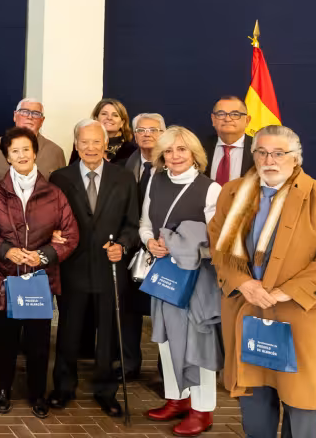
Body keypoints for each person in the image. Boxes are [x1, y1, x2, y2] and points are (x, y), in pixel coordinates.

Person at [210, 125, 316, 438]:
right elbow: (219, 247)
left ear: (296, 158)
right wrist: (243, 283)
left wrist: (286, 292)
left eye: (278, 153)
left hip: (297, 314)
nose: (268, 160)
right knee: (255, 398)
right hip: (246, 308)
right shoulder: (233, 193)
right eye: (261, 152)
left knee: (301, 402)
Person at [0, 126, 78, 418]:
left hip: (40, 281)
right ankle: (3, 390)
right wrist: (6, 250)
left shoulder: (54, 193)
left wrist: (44, 255)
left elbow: (70, 234)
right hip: (5, 279)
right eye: (14, 151)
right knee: (5, 341)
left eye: (25, 150)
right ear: (7, 156)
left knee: (39, 343)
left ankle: (36, 394)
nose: (20, 155)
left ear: (35, 153)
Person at [48, 120, 140, 417]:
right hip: (72, 268)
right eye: (84, 142)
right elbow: (51, 219)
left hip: (109, 268)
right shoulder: (59, 178)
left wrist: (123, 246)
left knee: (108, 335)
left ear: (105, 145)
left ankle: (106, 391)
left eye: (95, 142)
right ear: (76, 145)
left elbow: (132, 224)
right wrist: (52, 234)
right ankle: (62, 387)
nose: (90, 147)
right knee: (68, 332)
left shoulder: (124, 178)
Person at [138, 126, 222, 436]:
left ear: (194, 154)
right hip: (163, 272)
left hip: (196, 277)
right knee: (166, 337)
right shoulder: (155, 181)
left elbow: (217, 240)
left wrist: (176, 245)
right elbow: (145, 224)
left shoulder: (211, 189)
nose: (175, 156)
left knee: (197, 341)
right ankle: (177, 398)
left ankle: (203, 409)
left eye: (182, 150)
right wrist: (150, 243)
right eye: (169, 151)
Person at [121, 112, 166, 378]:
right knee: (128, 309)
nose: (146, 134)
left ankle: (165, 372)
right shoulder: (127, 164)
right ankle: (129, 364)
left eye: (153, 130)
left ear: (163, 133)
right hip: (131, 246)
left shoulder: (173, 165)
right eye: (141, 130)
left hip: (161, 248)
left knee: (163, 308)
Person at [0, 98, 68, 182]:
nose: (30, 117)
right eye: (24, 112)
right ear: (15, 116)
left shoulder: (55, 151)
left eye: (36, 113)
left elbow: (61, 187)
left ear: (42, 121)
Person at [202, 96, 254, 186]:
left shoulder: (259, 148)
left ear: (247, 120)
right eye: (221, 114)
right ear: (213, 119)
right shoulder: (200, 147)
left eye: (235, 114)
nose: (227, 119)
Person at [70, 99, 138, 166]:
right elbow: (71, 170)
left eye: (115, 115)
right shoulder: (82, 142)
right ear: (96, 118)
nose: (109, 118)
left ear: (122, 123)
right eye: (104, 114)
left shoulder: (133, 148)